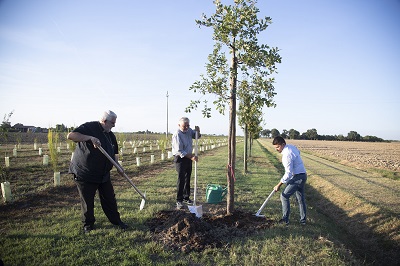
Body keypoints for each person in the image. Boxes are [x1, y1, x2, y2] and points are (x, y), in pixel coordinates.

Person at [68, 110, 128, 233]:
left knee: (109, 198)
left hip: (103, 174)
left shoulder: (110, 135)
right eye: (112, 123)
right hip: (85, 172)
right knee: (87, 200)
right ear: (104, 121)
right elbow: (71, 135)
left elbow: (115, 153)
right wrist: (89, 138)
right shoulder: (90, 127)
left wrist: (118, 166)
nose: (114, 125)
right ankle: (88, 224)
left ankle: (116, 221)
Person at [272, 136, 307, 225]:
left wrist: (279, 185)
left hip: (297, 178)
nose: (276, 149)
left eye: (278, 147)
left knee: (284, 196)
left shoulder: (286, 155)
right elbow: (298, 153)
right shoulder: (291, 147)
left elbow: (288, 173)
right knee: (300, 198)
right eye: (275, 147)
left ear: (283, 144)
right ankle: (303, 221)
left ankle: (285, 220)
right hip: (303, 175)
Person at [171, 117, 201, 209]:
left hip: (188, 158)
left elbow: (197, 136)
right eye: (185, 126)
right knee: (181, 179)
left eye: (188, 125)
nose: (187, 128)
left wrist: (198, 131)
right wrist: (191, 156)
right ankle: (179, 200)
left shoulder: (189, 130)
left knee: (188, 177)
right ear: (179, 125)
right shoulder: (177, 135)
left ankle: (186, 197)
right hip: (180, 158)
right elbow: (179, 151)